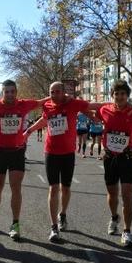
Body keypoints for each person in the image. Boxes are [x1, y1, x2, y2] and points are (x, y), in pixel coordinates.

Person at [24, 81, 101, 242]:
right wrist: (29, 131)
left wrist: (116, 105)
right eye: (52, 92)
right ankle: (53, 227)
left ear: (63, 92)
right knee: (53, 188)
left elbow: (93, 105)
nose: (54, 95)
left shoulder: (73, 104)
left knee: (65, 188)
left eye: (57, 91)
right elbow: (45, 120)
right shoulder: (47, 106)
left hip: (68, 153)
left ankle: (63, 214)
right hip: (51, 152)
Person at [0, 79, 48, 240]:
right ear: (2, 93)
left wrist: (63, 97)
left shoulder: (23, 104)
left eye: (12, 91)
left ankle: (15, 223)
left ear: (16, 92)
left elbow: (43, 102)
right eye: (6, 92)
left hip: (17, 152)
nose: (9, 94)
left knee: (16, 188)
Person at [97, 80, 132, 247]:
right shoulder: (104, 110)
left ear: (127, 96)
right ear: (112, 95)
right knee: (112, 194)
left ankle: (127, 231)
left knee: (127, 196)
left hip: (127, 158)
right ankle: (114, 217)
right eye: (117, 94)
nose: (120, 97)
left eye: (123, 94)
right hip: (110, 157)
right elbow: (92, 112)